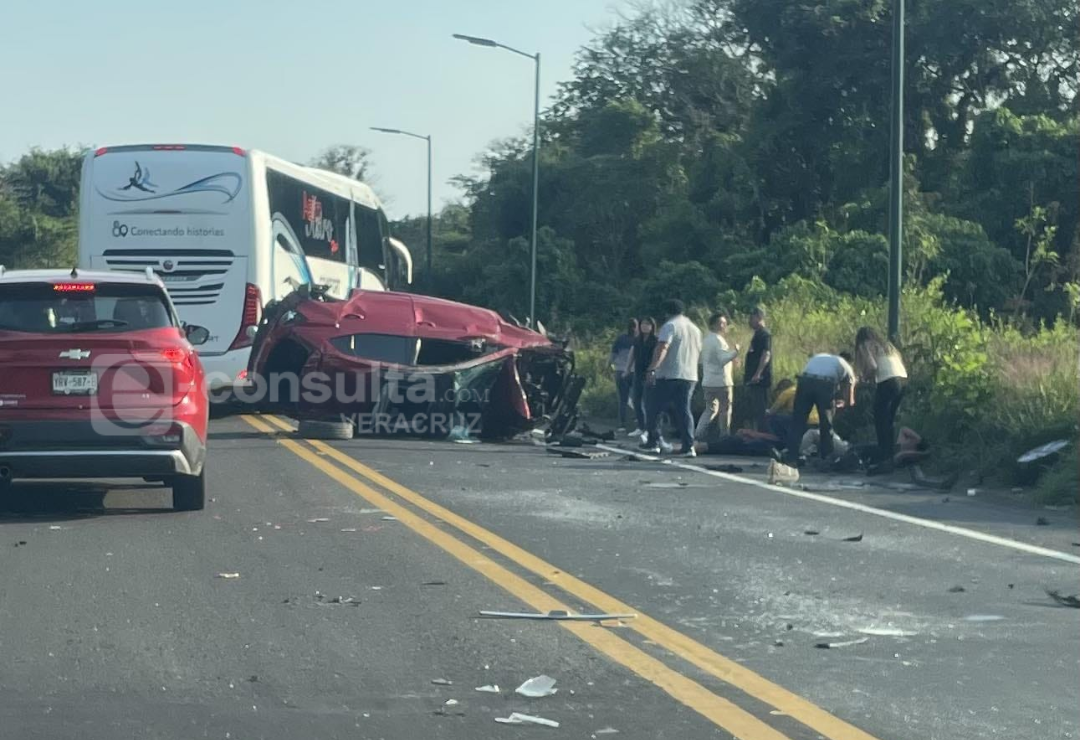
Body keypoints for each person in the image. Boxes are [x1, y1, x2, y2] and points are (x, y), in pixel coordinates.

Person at [642, 299, 702, 457]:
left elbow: (663, 347)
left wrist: (652, 368)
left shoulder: (670, 326)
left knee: (653, 408)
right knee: (684, 410)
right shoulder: (695, 329)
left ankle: (653, 442)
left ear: (667, 312)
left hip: (669, 374)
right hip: (690, 375)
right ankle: (688, 446)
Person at [786, 351, 857, 463]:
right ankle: (826, 457)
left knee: (798, 421)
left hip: (804, 382)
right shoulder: (846, 366)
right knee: (826, 424)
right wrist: (844, 404)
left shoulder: (821, 357)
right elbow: (850, 396)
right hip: (824, 385)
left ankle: (791, 455)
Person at [855, 327, 908, 464]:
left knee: (880, 419)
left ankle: (883, 454)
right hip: (902, 381)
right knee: (888, 420)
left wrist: (864, 378)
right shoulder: (887, 346)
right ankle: (889, 455)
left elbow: (872, 366)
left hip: (887, 382)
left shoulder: (865, 345)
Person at [695, 312, 739, 440]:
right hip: (722, 381)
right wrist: (735, 352)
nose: (724, 325)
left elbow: (703, 359)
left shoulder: (706, 340)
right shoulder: (719, 341)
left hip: (708, 381)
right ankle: (724, 435)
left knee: (710, 409)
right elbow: (722, 359)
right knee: (725, 409)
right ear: (714, 325)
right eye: (722, 323)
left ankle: (698, 433)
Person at [626, 317, 658, 438]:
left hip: (649, 372)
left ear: (652, 326)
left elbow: (657, 355)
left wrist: (653, 369)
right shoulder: (637, 340)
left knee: (648, 401)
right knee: (636, 400)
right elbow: (632, 354)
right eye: (643, 324)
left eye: (648, 324)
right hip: (638, 372)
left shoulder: (655, 340)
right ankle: (641, 426)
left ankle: (649, 428)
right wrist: (628, 368)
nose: (645, 326)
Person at [743, 306, 773, 431]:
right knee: (754, 409)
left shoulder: (764, 334)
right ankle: (755, 433)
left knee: (761, 410)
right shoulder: (757, 334)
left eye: (752, 318)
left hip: (760, 380)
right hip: (754, 379)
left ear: (759, 317)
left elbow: (766, 354)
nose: (749, 321)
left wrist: (757, 373)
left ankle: (762, 436)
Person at [609, 319, 638, 431]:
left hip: (620, 370)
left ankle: (622, 424)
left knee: (623, 399)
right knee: (637, 397)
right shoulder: (639, 340)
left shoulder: (620, 339)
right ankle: (637, 421)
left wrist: (609, 366)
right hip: (635, 371)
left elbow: (613, 355)